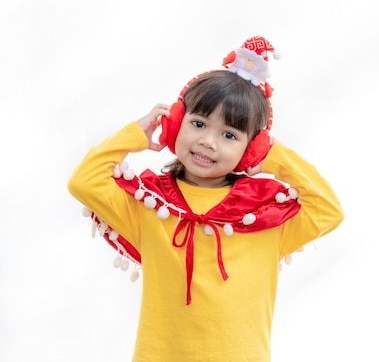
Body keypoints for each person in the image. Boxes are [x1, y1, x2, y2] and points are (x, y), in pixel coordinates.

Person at [67, 36, 344, 362]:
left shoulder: (263, 216)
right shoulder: (150, 205)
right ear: (174, 125)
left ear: (250, 148)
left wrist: (273, 156)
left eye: (229, 135)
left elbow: (328, 209)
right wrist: (134, 135)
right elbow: (84, 182)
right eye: (198, 124)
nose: (208, 142)